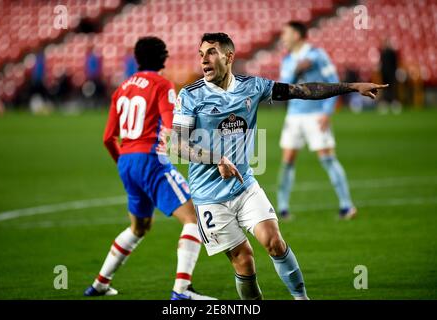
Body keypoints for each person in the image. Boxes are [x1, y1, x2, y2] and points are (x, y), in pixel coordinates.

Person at [171, 32, 387, 300]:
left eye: (211, 52)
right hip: (209, 197)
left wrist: (352, 87)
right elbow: (178, 146)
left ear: (229, 57)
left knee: (274, 242)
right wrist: (218, 159)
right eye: (201, 53)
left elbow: (303, 91)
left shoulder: (253, 86)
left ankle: (302, 298)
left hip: (244, 186)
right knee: (245, 261)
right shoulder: (190, 95)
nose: (204, 59)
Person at [84, 36, 215, 300]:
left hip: (127, 162)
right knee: (194, 219)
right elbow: (171, 127)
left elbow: (108, 137)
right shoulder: (162, 84)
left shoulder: (122, 88)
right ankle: (182, 291)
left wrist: (124, 162)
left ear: (137, 59)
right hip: (150, 160)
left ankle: (99, 284)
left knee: (139, 227)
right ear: (163, 59)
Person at [277, 21, 357, 220]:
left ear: (297, 35)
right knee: (287, 161)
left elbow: (334, 81)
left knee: (327, 158)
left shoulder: (318, 55)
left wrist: (327, 112)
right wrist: (297, 69)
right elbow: (284, 85)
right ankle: (282, 208)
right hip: (294, 116)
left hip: (315, 115)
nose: (282, 37)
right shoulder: (287, 59)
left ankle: (347, 206)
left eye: (285, 33)